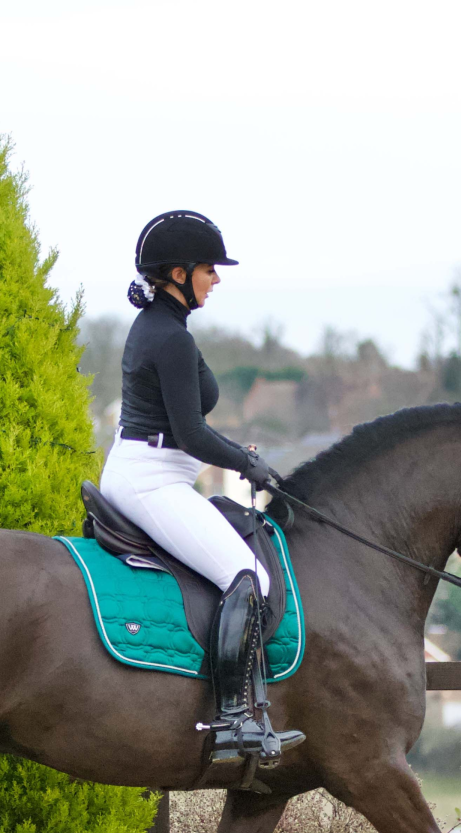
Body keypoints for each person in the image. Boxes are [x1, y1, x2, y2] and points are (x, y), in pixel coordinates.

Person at [99, 210, 305, 766]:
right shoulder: (168, 337)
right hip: (149, 479)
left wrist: (240, 454)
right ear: (177, 272)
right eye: (209, 269)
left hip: (154, 471)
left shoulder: (170, 330)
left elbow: (186, 425)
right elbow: (189, 433)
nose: (217, 279)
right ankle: (234, 719)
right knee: (248, 577)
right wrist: (245, 464)